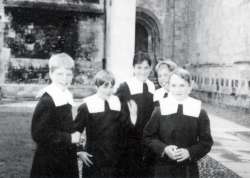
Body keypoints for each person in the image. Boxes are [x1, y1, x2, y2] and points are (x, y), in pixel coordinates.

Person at [143, 68, 213, 178]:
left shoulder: (199, 111)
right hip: (163, 168)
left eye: (182, 85)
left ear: (189, 87)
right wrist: (164, 149)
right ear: (169, 87)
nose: (178, 90)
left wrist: (189, 152)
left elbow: (206, 142)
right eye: (174, 85)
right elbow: (148, 136)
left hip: (187, 169)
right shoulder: (160, 109)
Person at [30, 53, 81, 178]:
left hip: (64, 157)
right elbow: (39, 134)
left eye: (68, 74)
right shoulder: (48, 100)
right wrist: (69, 138)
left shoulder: (65, 95)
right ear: (51, 74)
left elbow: (62, 124)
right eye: (60, 74)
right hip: (49, 162)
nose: (64, 79)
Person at [74, 70, 130, 178]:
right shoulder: (87, 105)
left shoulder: (117, 103)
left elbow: (124, 128)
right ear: (97, 86)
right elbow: (75, 130)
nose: (108, 91)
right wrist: (79, 151)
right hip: (95, 158)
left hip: (115, 158)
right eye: (105, 87)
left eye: (111, 87)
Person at [116, 52, 156, 177]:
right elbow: (117, 115)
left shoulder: (151, 86)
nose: (142, 71)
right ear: (133, 68)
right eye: (139, 67)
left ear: (150, 68)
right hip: (130, 139)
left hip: (148, 138)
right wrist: (131, 120)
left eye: (146, 68)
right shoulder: (125, 87)